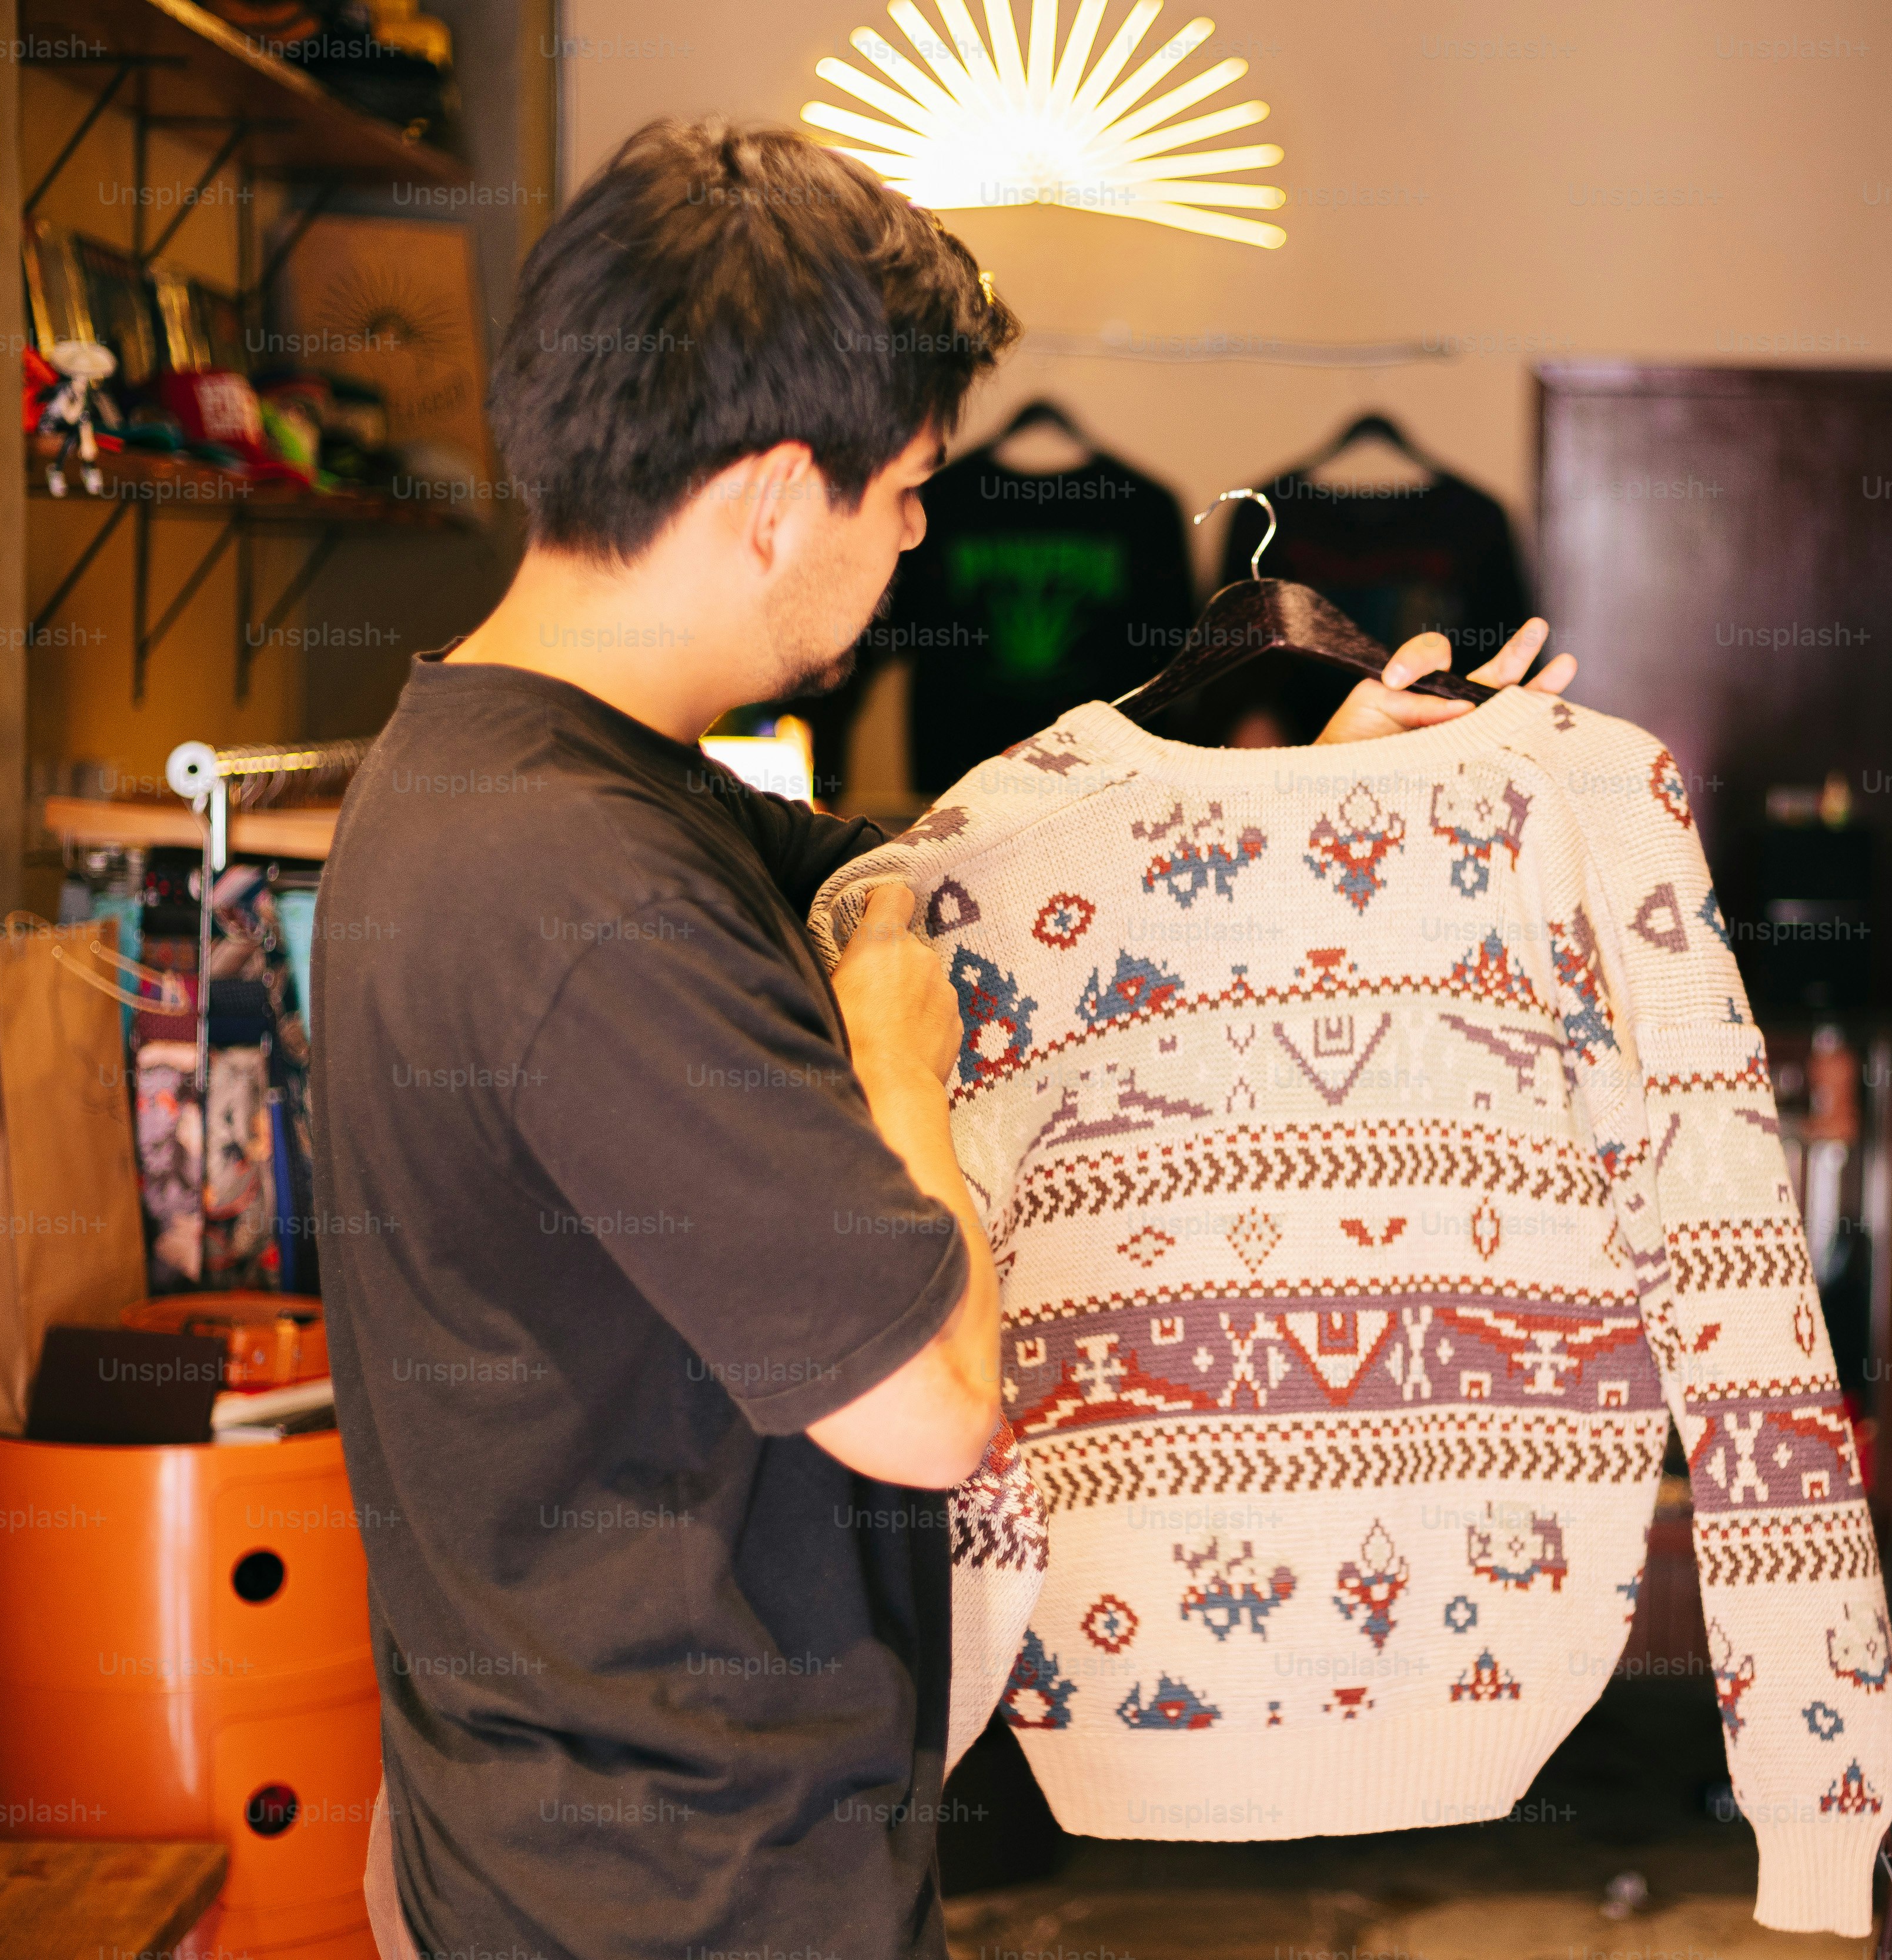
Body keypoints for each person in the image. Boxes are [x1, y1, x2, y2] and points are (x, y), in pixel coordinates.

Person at [312, 118, 1574, 1960]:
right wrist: (898, 1053)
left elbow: (943, 887)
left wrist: (1301, 804)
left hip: (576, 1822)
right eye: (901, 492)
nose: (918, 537)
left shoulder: (533, 770)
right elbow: (925, 1406)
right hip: (677, 1889)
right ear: (768, 500)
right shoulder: (585, 897)